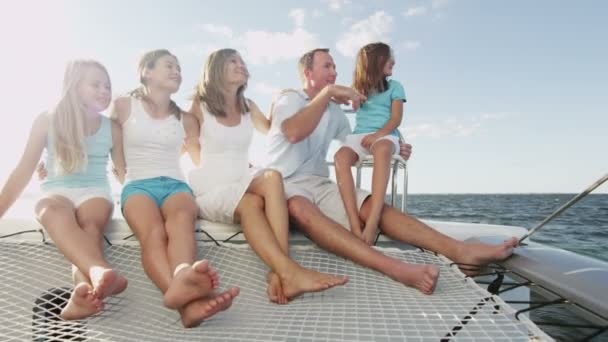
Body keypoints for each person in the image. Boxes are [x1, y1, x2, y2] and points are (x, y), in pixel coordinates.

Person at [265, 48, 519, 295]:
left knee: (370, 205)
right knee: (300, 207)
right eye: (327, 66)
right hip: (281, 183)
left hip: (318, 183)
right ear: (308, 73)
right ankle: (398, 269)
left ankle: (460, 252)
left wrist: (396, 144)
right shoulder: (290, 98)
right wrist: (329, 92)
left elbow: (359, 142)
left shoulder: (334, 113)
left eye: (334, 67)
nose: (334, 72)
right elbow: (293, 132)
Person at [186, 48, 347, 304]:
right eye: (233, 61)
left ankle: (280, 272)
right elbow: (191, 147)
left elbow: (274, 128)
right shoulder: (199, 105)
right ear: (215, 69)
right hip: (212, 186)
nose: (241, 64)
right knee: (252, 202)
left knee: (272, 178)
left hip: (242, 181)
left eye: (241, 61)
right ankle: (289, 271)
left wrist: (284, 101)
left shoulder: (248, 106)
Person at [112, 49, 238, 327]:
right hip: (138, 186)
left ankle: (182, 276)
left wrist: (240, 169)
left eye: (179, 68)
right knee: (153, 233)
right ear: (147, 71)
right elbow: (111, 149)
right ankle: (187, 307)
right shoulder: (123, 106)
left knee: (181, 222)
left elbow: (202, 159)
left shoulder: (186, 119)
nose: (176, 71)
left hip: (176, 185)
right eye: (169, 66)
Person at [0, 60, 128, 319]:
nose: (104, 91)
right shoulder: (47, 119)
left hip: (95, 192)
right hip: (57, 191)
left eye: (107, 86)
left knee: (90, 226)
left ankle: (83, 290)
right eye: (96, 84)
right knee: (49, 209)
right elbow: (23, 171)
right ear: (74, 86)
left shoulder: (112, 128)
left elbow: (126, 173)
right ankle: (99, 272)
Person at [334, 42, 405, 245]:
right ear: (375, 62)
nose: (393, 61)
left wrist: (377, 136)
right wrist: (349, 97)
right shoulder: (359, 89)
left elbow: (396, 119)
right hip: (360, 136)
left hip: (386, 135)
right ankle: (354, 223)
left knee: (382, 149)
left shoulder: (395, 87)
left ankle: (373, 220)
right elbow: (337, 96)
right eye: (388, 57)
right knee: (340, 157)